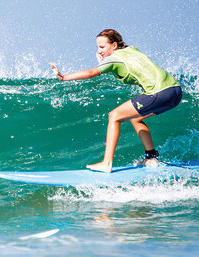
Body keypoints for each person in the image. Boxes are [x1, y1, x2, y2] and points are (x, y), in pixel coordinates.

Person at [49, 29, 181, 173]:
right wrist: (105, 62)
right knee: (136, 119)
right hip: (175, 91)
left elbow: (90, 73)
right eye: (98, 47)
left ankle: (106, 163)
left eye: (102, 47)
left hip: (158, 93)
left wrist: (63, 77)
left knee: (114, 116)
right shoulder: (132, 50)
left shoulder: (114, 58)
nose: (99, 51)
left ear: (114, 45)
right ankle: (151, 158)